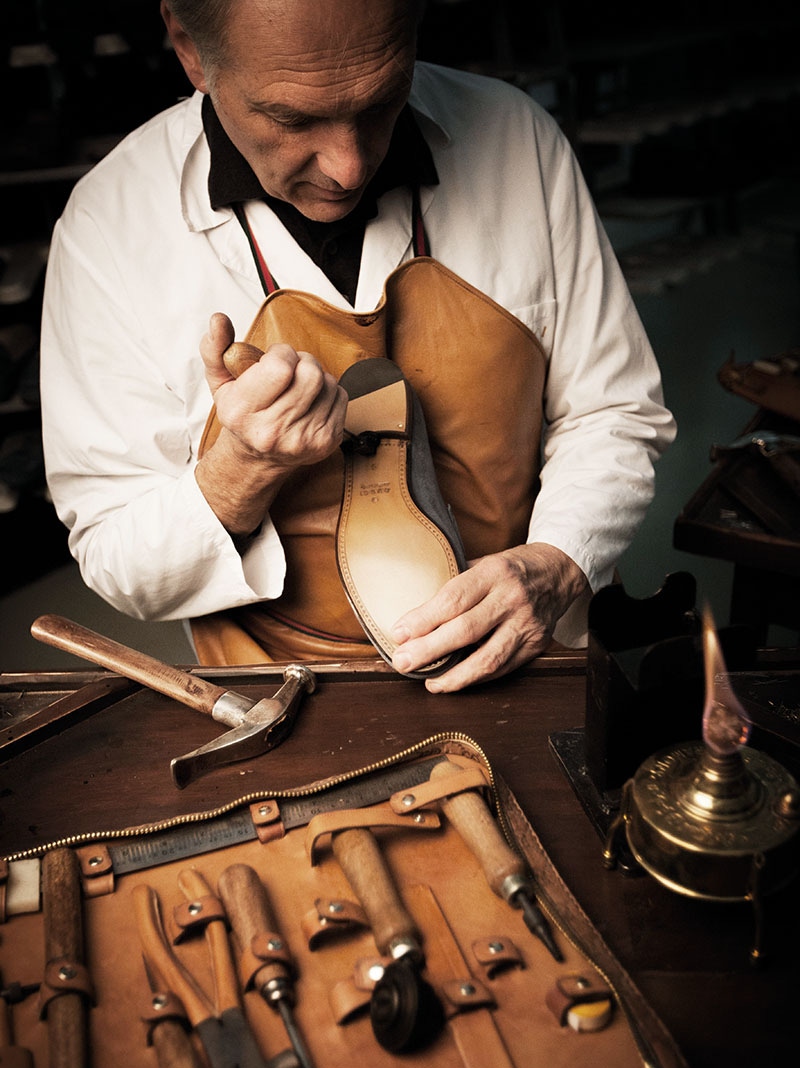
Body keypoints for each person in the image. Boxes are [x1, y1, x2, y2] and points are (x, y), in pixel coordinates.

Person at [39, 0, 676, 692]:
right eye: (293, 119)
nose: (347, 167)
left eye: (380, 103)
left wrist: (554, 564)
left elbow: (614, 412)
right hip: (281, 694)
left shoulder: (516, 138)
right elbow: (117, 557)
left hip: (536, 652)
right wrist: (240, 470)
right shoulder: (110, 226)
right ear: (189, 48)